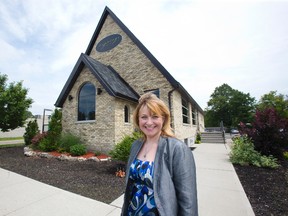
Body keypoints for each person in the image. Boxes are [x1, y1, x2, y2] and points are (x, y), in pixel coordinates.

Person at [121, 92, 198, 216]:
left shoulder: (177, 149)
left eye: (155, 116)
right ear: (138, 119)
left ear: (164, 118)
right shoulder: (136, 145)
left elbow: (188, 202)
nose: (149, 122)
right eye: (144, 117)